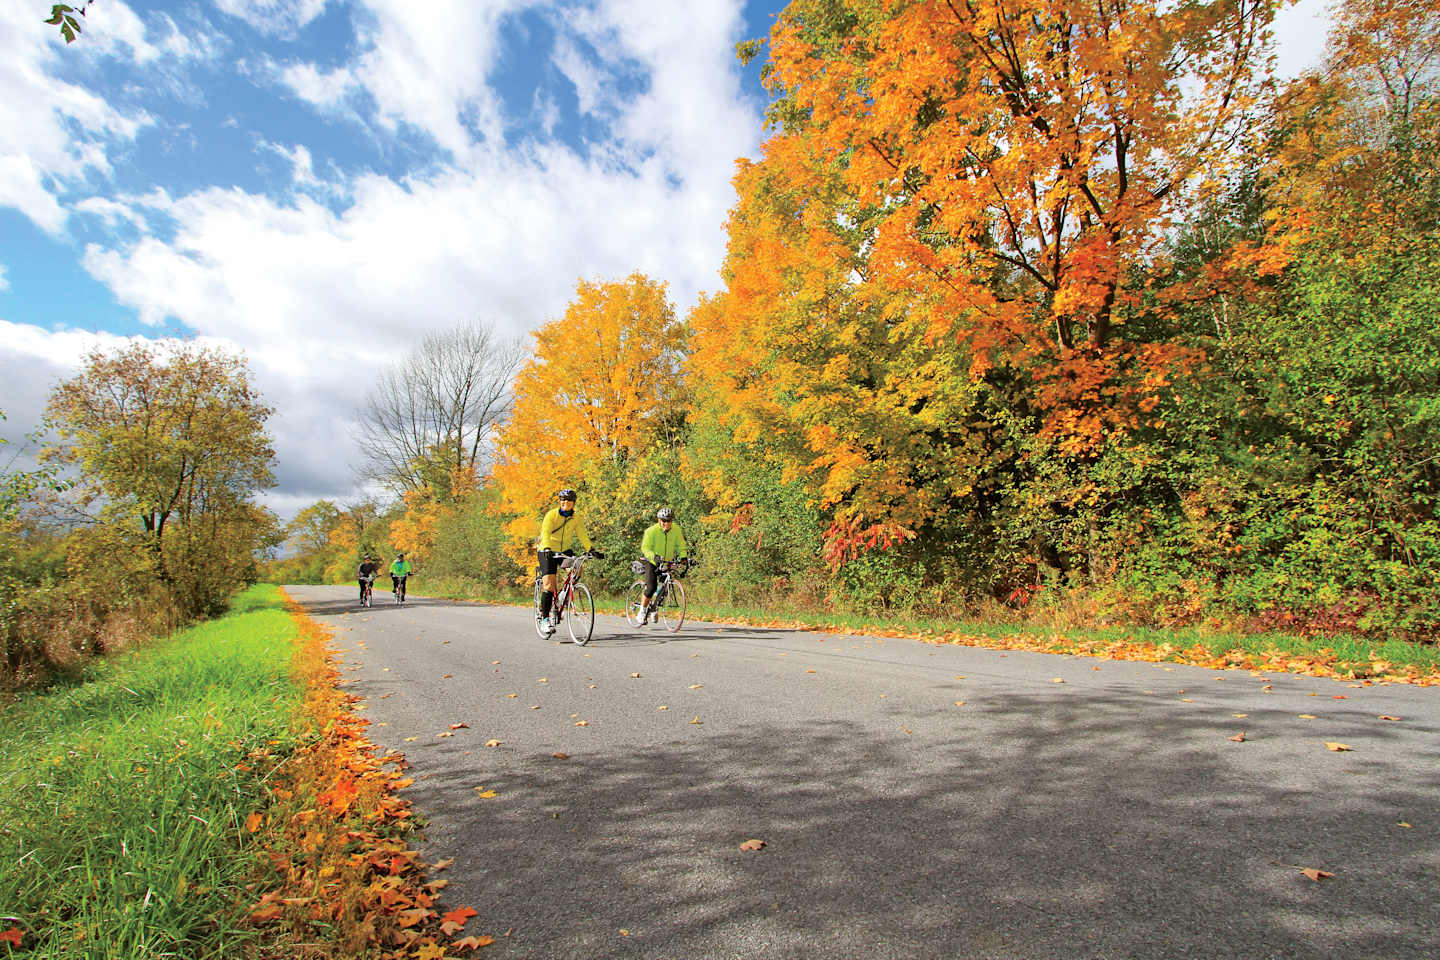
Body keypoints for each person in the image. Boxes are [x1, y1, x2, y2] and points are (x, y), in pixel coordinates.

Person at [536, 488, 604, 636]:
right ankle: (545, 619)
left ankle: (563, 597)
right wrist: (547, 547)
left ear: (573, 503)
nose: (565, 502)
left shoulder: (576, 518)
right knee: (549, 584)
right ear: (560, 501)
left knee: (578, 568)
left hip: (564, 550)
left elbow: (582, 535)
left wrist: (591, 549)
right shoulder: (551, 515)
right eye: (563, 500)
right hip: (546, 550)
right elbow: (545, 532)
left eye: (568, 500)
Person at [638, 507, 688, 625]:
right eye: (663, 521)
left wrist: (683, 557)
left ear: (672, 521)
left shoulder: (676, 530)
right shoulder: (651, 531)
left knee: (666, 585)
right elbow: (645, 548)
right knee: (651, 587)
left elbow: (681, 546)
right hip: (651, 560)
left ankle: (654, 607)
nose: (666, 523)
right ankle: (642, 611)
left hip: (667, 560)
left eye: (669, 521)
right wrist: (653, 556)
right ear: (659, 520)